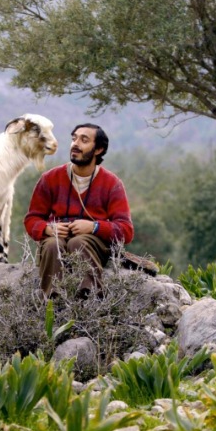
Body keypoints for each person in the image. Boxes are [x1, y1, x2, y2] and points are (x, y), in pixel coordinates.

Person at [24, 123, 134, 299]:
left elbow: (126, 231)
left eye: (84, 140)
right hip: (56, 242)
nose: (75, 144)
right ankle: (52, 303)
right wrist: (47, 229)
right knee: (53, 244)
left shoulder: (112, 184)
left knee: (79, 242)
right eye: (74, 138)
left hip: (93, 245)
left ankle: (89, 301)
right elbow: (32, 219)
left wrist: (94, 227)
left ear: (98, 149)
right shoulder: (50, 179)